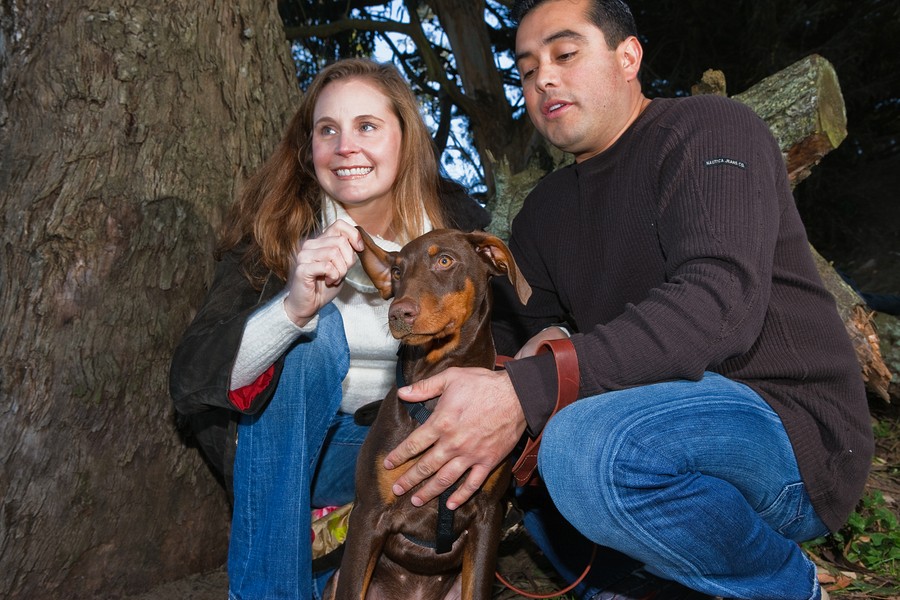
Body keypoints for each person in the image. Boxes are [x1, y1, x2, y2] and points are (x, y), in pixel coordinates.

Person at [381, 1, 874, 599]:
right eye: (528, 70)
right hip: (647, 422)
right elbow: (501, 336)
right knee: (510, 434)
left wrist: (530, 386)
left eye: (565, 54)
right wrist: (489, 385)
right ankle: (641, 584)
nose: (544, 79)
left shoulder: (709, 129)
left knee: (581, 445)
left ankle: (785, 586)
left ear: (628, 57)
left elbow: (719, 306)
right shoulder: (544, 212)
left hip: (786, 428)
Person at [168, 58, 488, 600]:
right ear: (308, 147)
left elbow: (502, 340)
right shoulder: (275, 232)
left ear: (404, 138)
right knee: (317, 335)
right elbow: (190, 381)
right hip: (287, 453)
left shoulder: (454, 224)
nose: (345, 147)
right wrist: (292, 310)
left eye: (367, 126)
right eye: (327, 130)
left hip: (400, 448)